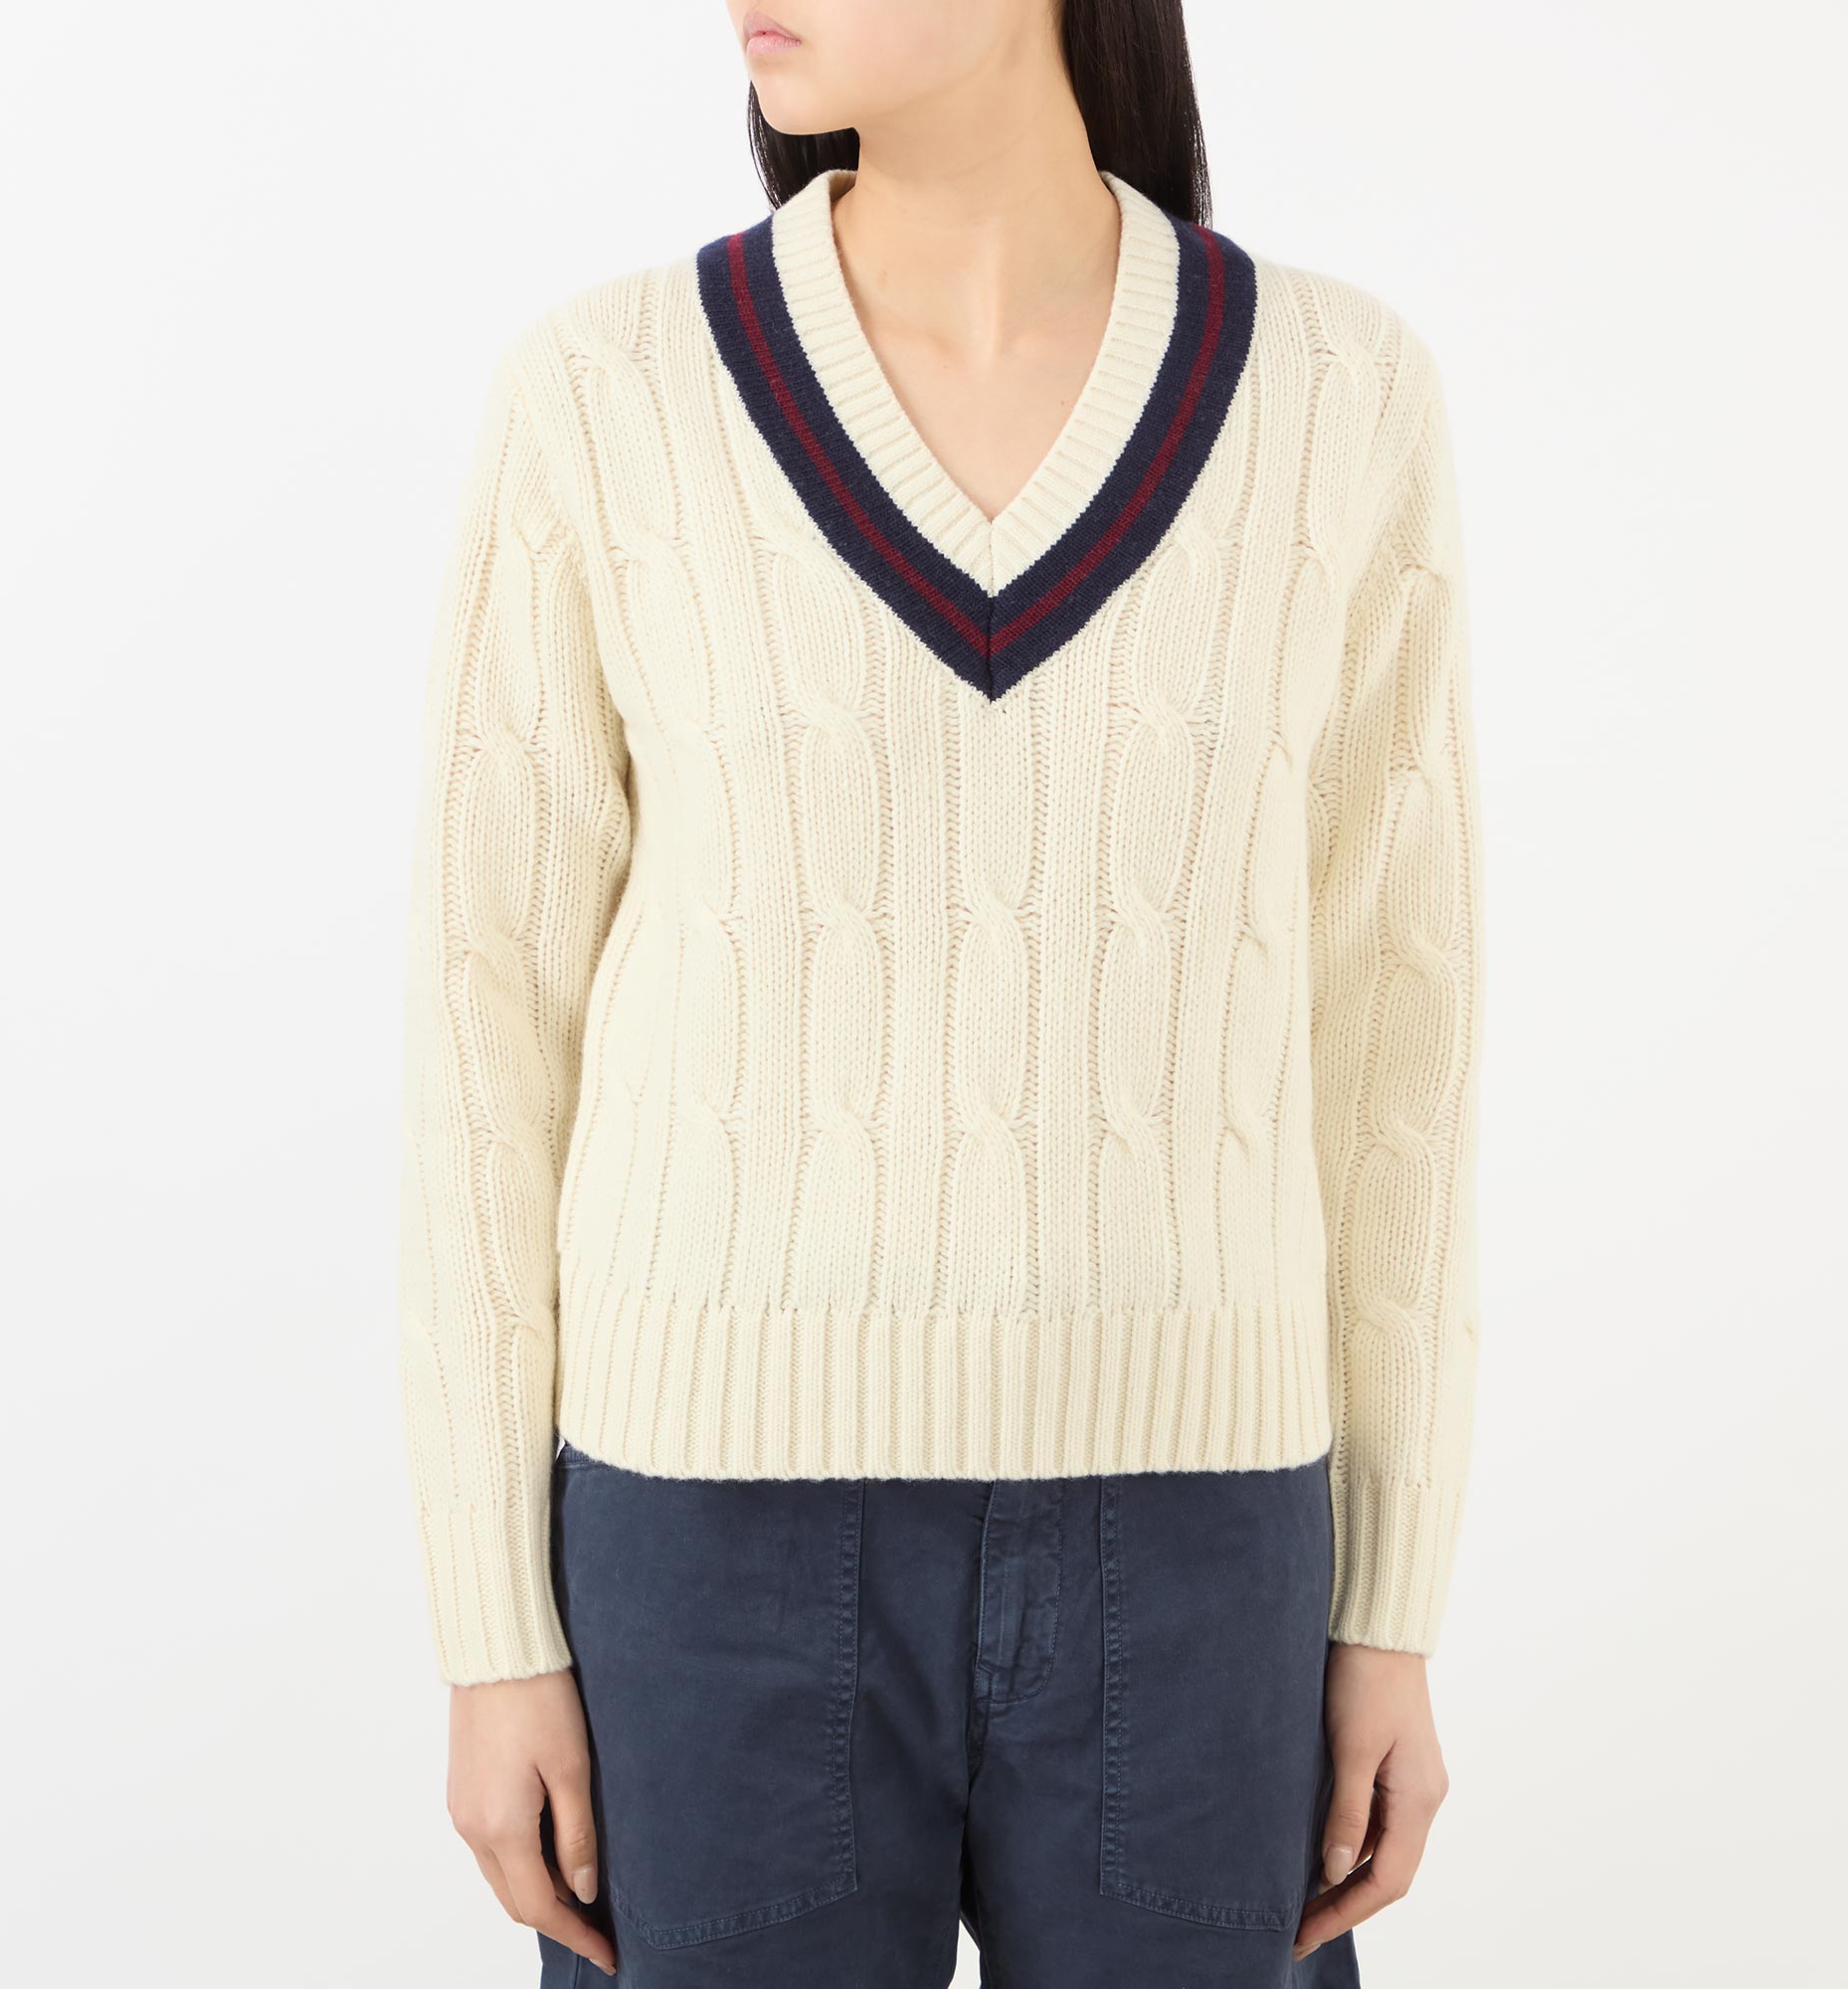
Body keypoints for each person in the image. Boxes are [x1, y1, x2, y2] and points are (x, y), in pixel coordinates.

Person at [398, 2, 1483, 1982]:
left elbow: (1393, 1048)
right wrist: (493, 1630)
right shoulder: (605, 397)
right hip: (704, 1553)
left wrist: (1390, 1603)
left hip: (1202, 1554)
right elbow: (486, 1038)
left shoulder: (1338, 399)